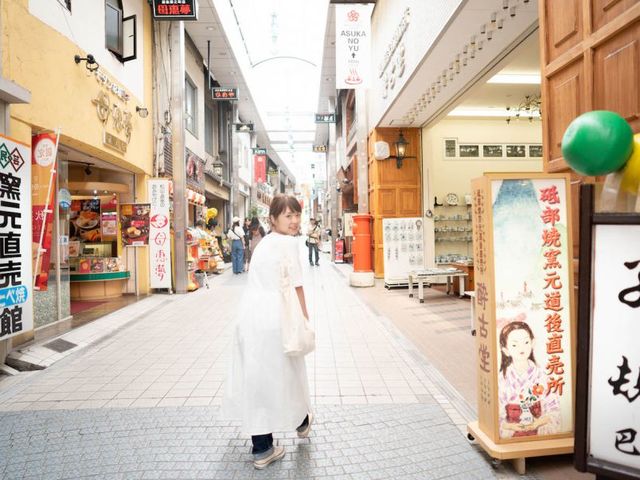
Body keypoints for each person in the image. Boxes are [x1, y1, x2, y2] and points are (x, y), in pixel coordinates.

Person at [221, 194, 313, 470]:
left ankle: (263, 448)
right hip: (276, 319)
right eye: (288, 215)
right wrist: (305, 319)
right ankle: (301, 421)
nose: (294, 221)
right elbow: (296, 285)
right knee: (290, 372)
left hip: (250, 318)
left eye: (296, 215)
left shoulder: (264, 243)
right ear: (273, 219)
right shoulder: (289, 243)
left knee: (258, 381)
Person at [497, 318, 561, 438]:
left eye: (526, 342)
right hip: (512, 433)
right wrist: (511, 426)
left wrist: (538, 423)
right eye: (514, 345)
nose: (521, 348)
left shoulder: (542, 376)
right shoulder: (502, 379)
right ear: (506, 350)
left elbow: (554, 409)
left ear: (532, 343)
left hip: (538, 430)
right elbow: (496, 415)